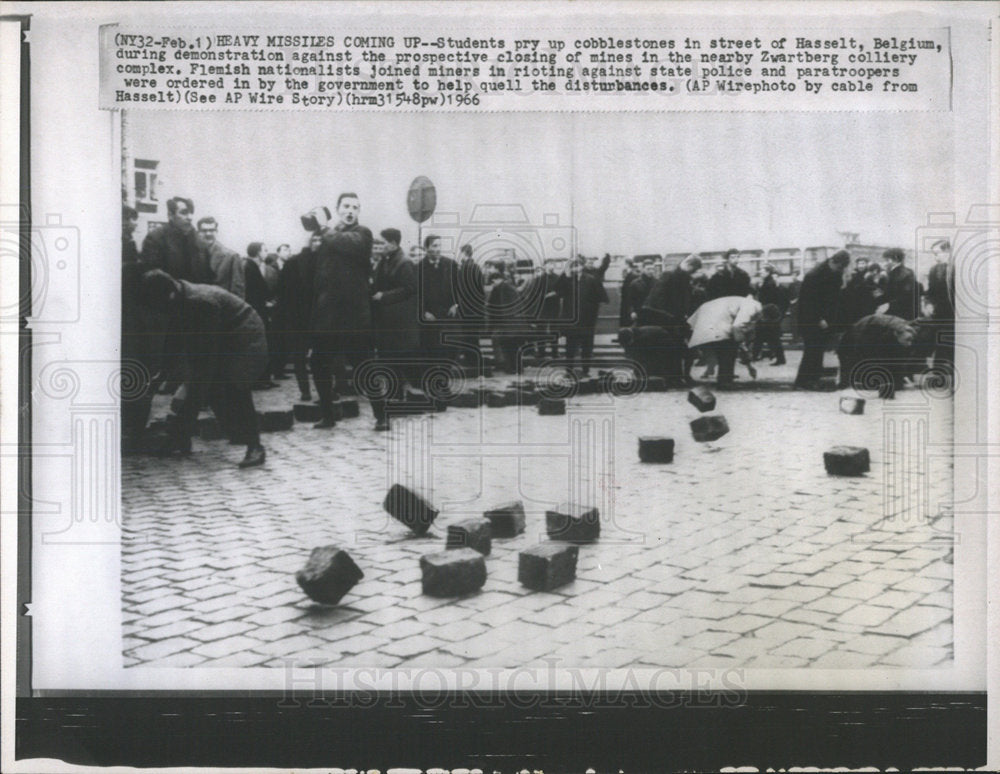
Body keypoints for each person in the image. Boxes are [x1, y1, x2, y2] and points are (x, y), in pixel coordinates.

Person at [139, 269, 267, 468]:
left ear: (170, 294)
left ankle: (255, 447)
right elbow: (174, 340)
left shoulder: (200, 303)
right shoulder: (177, 297)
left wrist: (190, 381)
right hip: (224, 335)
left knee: (236, 387)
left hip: (245, 336)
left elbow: (205, 359)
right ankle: (183, 439)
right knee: (208, 388)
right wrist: (162, 373)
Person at [306, 194, 374, 428]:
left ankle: (382, 415)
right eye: (345, 207)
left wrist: (324, 228)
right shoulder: (329, 236)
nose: (350, 211)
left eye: (355, 207)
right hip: (328, 317)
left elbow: (347, 244)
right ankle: (328, 415)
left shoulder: (362, 233)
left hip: (352, 317)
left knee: (363, 365)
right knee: (318, 363)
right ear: (337, 209)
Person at [369, 228, 419, 430]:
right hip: (387, 320)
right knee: (388, 358)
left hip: (398, 321)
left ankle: (398, 396)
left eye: (383, 242)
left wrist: (384, 296)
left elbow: (409, 289)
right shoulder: (386, 259)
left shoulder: (403, 262)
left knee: (395, 358)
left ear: (393, 242)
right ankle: (395, 395)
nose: (381, 245)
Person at [636, 254, 702, 385]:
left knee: (683, 347)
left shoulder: (683, 277)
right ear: (689, 265)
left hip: (677, 318)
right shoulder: (669, 275)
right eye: (693, 270)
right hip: (666, 319)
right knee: (672, 348)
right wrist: (668, 316)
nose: (693, 273)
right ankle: (674, 377)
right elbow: (658, 297)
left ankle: (680, 376)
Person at [794, 249, 851, 389]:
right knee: (812, 350)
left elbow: (835, 297)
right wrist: (819, 319)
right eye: (839, 267)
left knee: (817, 350)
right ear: (832, 261)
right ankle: (804, 382)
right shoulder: (815, 275)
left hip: (824, 319)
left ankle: (812, 379)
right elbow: (808, 301)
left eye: (842, 268)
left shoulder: (834, 273)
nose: (840, 270)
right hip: (810, 318)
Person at [837, 314, 931, 398]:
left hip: (869, 340)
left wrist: (899, 380)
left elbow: (897, 361)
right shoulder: (879, 331)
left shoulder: (899, 334)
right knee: (854, 383)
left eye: (911, 340)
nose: (909, 343)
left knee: (892, 383)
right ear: (896, 333)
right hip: (852, 343)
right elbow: (869, 355)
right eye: (908, 340)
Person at [275, 232, 321, 401]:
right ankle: (305, 391)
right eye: (314, 240)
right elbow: (282, 291)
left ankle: (324, 391)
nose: (317, 243)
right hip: (299, 317)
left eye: (320, 240)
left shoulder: (328, 262)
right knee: (299, 357)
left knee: (322, 357)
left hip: (319, 316)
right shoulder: (294, 263)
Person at [687, 295, 765, 387]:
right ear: (765, 316)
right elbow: (737, 326)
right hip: (716, 323)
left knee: (723, 350)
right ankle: (725, 382)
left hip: (704, 319)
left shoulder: (744, 302)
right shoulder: (753, 306)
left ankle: (724, 379)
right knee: (728, 350)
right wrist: (741, 343)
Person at [555, 256, 609, 375]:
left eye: (578, 265)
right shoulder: (567, 280)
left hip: (587, 321)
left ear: (582, 266)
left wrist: (592, 310)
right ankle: (569, 370)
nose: (576, 268)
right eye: (573, 266)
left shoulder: (591, 279)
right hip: (572, 322)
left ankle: (586, 370)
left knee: (587, 347)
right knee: (570, 348)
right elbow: (557, 289)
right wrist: (565, 274)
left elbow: (602, 297)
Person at [140, 196, 212, 283]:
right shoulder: (155, 238)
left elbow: (208, 275)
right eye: (184, 213)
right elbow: (152, 276)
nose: (190, 217)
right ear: (170, 215)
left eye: (191, 213)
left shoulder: (198, 240)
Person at [417, 234, 460, 369]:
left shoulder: (450, 265)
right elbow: (416, 293)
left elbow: (459, 288)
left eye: (440, 246)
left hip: (448, 315)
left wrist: (456, 304)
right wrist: (423, 311)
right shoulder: (419, 268)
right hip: (430, 317)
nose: (438, 249)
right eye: (435, 246)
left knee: (450, 348)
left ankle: (444, 379)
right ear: (426, 248)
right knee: (432, 349)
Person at [196, 216, 246, 299]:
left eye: (211, 230)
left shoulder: (232, 257)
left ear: (216, 232)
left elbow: (238, 292)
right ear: (198, 233)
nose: (208, 234)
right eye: (204, 231)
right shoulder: (193, 255)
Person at [454, 243, 486, 370]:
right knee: (472, 336)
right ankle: (474, 362)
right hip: (475, 308)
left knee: (469, 336)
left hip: (467, 309)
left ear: (463, 253)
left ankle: (474, 363)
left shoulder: (464, 269)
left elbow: (460, 290)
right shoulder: (476, 267)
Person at [753, 263, 789, 364]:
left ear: (768, 272)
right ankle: (755, 355)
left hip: (768, 314)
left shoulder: (769, 283)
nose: (761, 273)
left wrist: (760, 288)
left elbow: (765, 298)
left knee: (770, 337)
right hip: (769, 314)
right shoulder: (768, 282)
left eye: (763, 271)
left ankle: (779, 359)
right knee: (764, 336)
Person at [882, 247, 919, 319]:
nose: (885, 263)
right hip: (899, 310)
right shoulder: (905, 271)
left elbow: (904, 296)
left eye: (887, 260)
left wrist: (887, 304)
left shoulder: (902, 273)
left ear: (895, 259)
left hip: (900, 312)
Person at [618, 259, 639, 328]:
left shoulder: (633, 275)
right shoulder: (628, 274)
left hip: (629, 305)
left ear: (627, 264)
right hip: (626, 304)